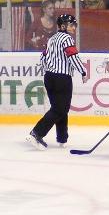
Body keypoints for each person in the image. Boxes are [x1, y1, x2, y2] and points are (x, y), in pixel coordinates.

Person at [27, 14, 89, 150]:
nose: (74, 27)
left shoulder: (52, 39)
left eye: (74, 24)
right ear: (62, 26)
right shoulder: (67, 39)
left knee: (59, 107)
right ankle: (37, 133)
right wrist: (83, 72)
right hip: (62, 78)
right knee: (60, 109)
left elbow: (43, 57)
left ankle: (62, 137)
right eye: (71, 24)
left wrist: (48, 70)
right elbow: (73, 56)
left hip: (49, 77)